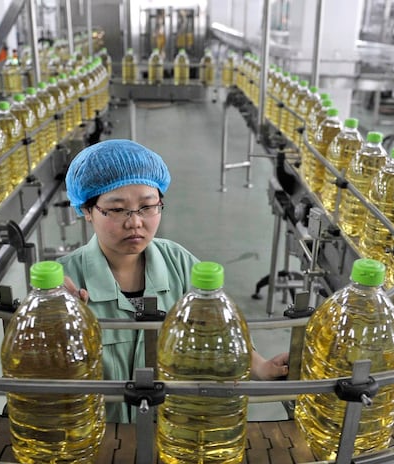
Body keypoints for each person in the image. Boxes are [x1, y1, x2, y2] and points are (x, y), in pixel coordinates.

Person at [58, 139, 289, 423]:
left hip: (173, 432)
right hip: (101, 435)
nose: (135, 222)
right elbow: (47, 374)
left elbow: (222, 333)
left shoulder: (179, 263)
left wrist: (263, 368)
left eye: (147, 207)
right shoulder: (63, 282)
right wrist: (58, 322)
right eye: (118, 210)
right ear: (86, 210)